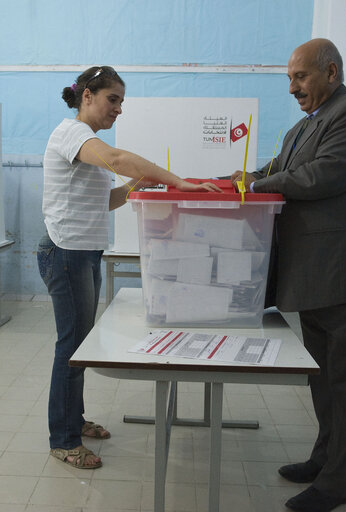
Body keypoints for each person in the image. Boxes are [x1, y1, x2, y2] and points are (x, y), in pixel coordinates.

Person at [230, 39, 346, 512]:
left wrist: (259, 185)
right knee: (323, 381)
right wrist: (225, 182)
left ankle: (339, 484)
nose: (293, 87)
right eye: (289, 78)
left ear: (332, 72)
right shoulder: (304, 127)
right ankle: (323, 460)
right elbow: (273, 169)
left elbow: (325, 176)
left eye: (301, 76)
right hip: (317, 279)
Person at [38, 66, 221, 470]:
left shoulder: (88, 145)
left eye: (122, 101)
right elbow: (119, 158)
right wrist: (180, 182)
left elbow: (107, 201)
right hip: (64, 252)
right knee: (70, 346)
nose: (118, 109)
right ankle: (63, 439)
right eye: (112, 99)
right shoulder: (72, 134)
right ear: (87, 95)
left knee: (80, 344)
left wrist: (140, 187)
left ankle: (74, 419)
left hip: (84, 252)